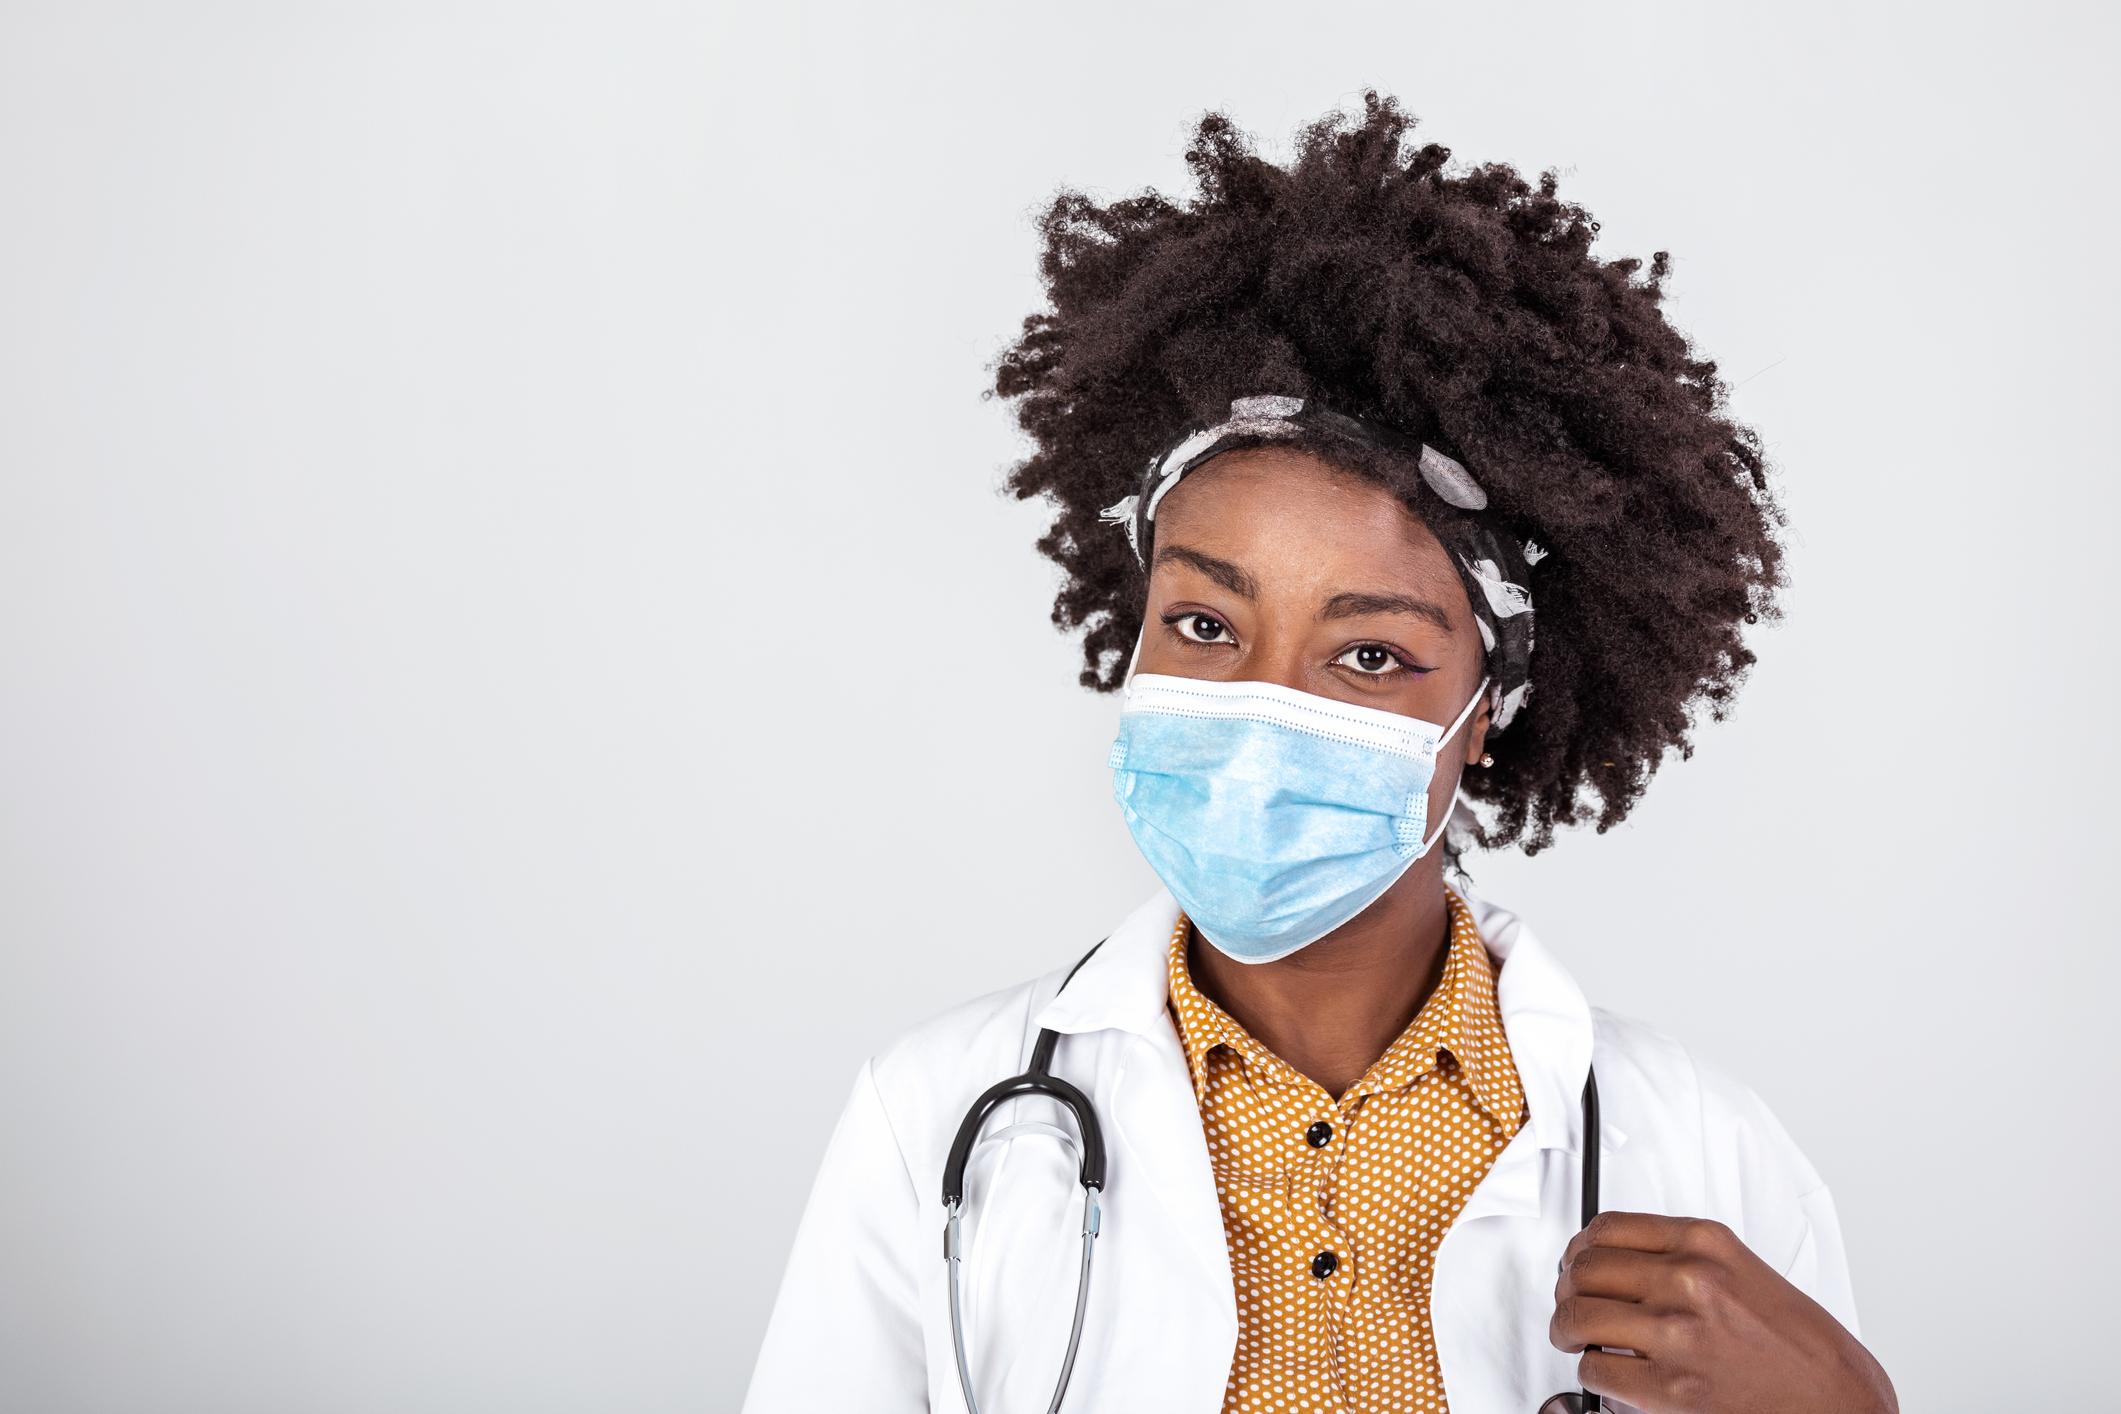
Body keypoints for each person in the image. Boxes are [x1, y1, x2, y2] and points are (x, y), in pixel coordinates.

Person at [742, 94, 1897, 1414]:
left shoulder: (1700, 1152)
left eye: (1366, 654)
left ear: (1489, 706)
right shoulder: (936, 1120)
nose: (1257, 707)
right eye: (1202, 623)